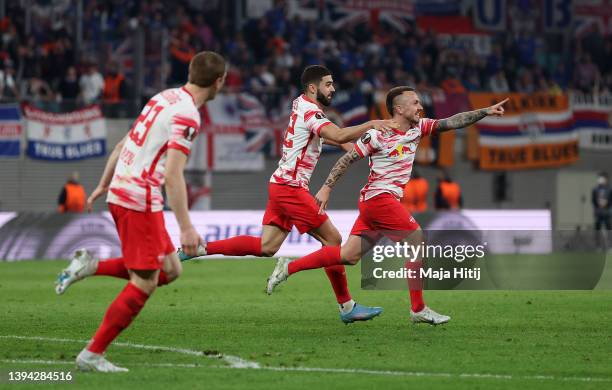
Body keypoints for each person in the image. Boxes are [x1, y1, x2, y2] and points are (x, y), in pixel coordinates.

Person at [267, 86, 508, 325]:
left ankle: (289, 267)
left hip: (378, 202)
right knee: (417, 239)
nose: (421, 107)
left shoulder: (418, 128)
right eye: (415, 103)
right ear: (399, 108)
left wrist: (484, 111)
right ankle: (418, 308)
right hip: (379, 199)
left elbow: (452, 121)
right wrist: (327, 187)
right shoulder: (377, 134)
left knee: (349, 256)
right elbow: (348, 158)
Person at [179, 65, 396, 323]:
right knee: (333, 240)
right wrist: (371, 124)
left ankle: (200, 249)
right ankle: (346, 306)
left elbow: (334, 139)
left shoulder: (300, 105)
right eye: (328, 84)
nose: (333, 88)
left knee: (266, 246)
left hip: (281, 184)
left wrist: (358, 150)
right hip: (291, 188)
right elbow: (336, 133)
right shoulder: (310, 111)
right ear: (313, 88)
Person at [54, 51, 226, 372]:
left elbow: (122, 144)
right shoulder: (188, 115)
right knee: (144, 282)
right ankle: (92, 354)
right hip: (138, 200)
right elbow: (173, 174)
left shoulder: (164, 97)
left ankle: (91, 266)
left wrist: (104, 184)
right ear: (219, 82)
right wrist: (187, 228)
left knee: (171, 269)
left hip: (123, 189)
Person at [592, 172, 611, 248]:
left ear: (606, 179)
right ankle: (598, 246)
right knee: (597, 230)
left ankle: (609, 246)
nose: (601, 180)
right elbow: (593, 200)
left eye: (602, 178)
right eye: (600, 178)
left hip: (607, 213)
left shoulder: (610, 189)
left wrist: (606, 203)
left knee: (609, 229)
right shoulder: (595, 190)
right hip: (598, 213)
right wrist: (598, 203)